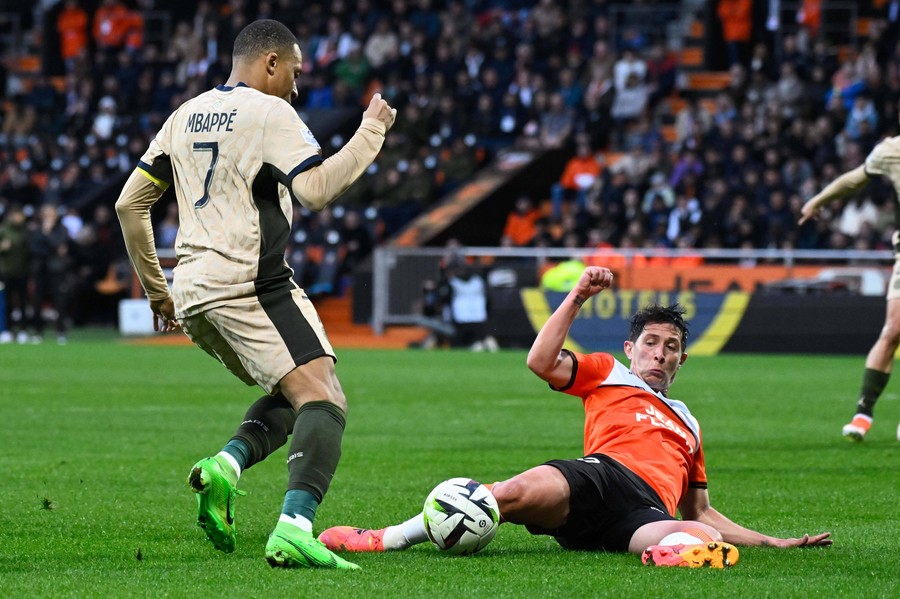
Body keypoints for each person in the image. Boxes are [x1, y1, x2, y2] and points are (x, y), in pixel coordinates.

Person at [115, 19, 396, 571]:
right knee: (325, 398)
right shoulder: (271, 113)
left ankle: (226, 466)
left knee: (296, 391)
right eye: (293, 72)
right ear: (270, 63)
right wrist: (371, 133)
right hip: (251, 281)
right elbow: (314, 190)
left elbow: (130, 204)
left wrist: (158, 291)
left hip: (193, 291)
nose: (296, 87)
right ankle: (294, 527)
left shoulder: (184, 115)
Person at [317, 266, 832, 567]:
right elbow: (540, 362)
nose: (660, 353)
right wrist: (578, 296)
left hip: (644, 513)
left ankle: (667, 556)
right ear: (632, 348)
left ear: (682, 359)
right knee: (502, 495)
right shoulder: (609, 372)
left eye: (671, 347)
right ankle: (386, 538)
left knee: (704, 542)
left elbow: (699, 511)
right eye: (651, 343)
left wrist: (772, 541)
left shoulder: (689, 424)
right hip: (597, 477)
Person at [799, 129, 900, 443]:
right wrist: (817, 200)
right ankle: (863, 411)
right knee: (894, 329)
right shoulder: (892, 151)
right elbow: (854, 179)